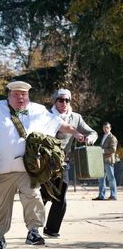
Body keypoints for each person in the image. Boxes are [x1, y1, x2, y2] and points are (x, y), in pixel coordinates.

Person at [0, 81, 85, 249]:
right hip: (1, 173)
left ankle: (34, 232)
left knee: (33, 198)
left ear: (28, 96)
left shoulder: (38, 110)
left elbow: (59, 123)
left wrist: (76, 133)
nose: (20, 98)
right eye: (16, 94)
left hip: (26, 171)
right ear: (9, 95)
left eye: (24, 95)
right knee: (0, 207)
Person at [41, 89, 98, 237]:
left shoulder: (75, 118)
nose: (64, 103)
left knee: (61, 197)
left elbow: (93, 132)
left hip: (63, 163)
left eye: (67, 100)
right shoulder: (46, 116)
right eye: (61, 100)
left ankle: (51, 229)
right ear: (55, 101)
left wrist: (89, 139)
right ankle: (33, 228)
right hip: (44, 162)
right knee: (43, 196)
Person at [93, 122, 118, 201]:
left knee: (111, 178)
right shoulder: (104, 136)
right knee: (101, 179)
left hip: (108, 160)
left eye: (107, 127)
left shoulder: (112, 138)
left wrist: (102, 151)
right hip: (102, 161)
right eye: (104, 127)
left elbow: (113, 149)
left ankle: (113, 196)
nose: (105, 129)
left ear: (110, 128)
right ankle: (101, 196)